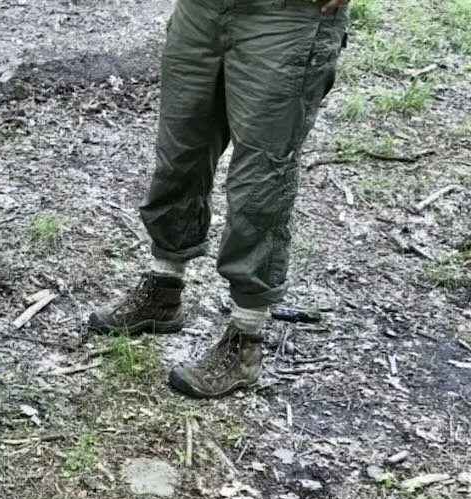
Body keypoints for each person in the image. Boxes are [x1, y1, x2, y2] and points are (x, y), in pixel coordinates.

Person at [88, 0, 351, 398]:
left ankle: (245, 340)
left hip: (286, 18)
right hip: (202, 11)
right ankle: (163, 289)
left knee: (261, 182)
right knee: (180, 155)